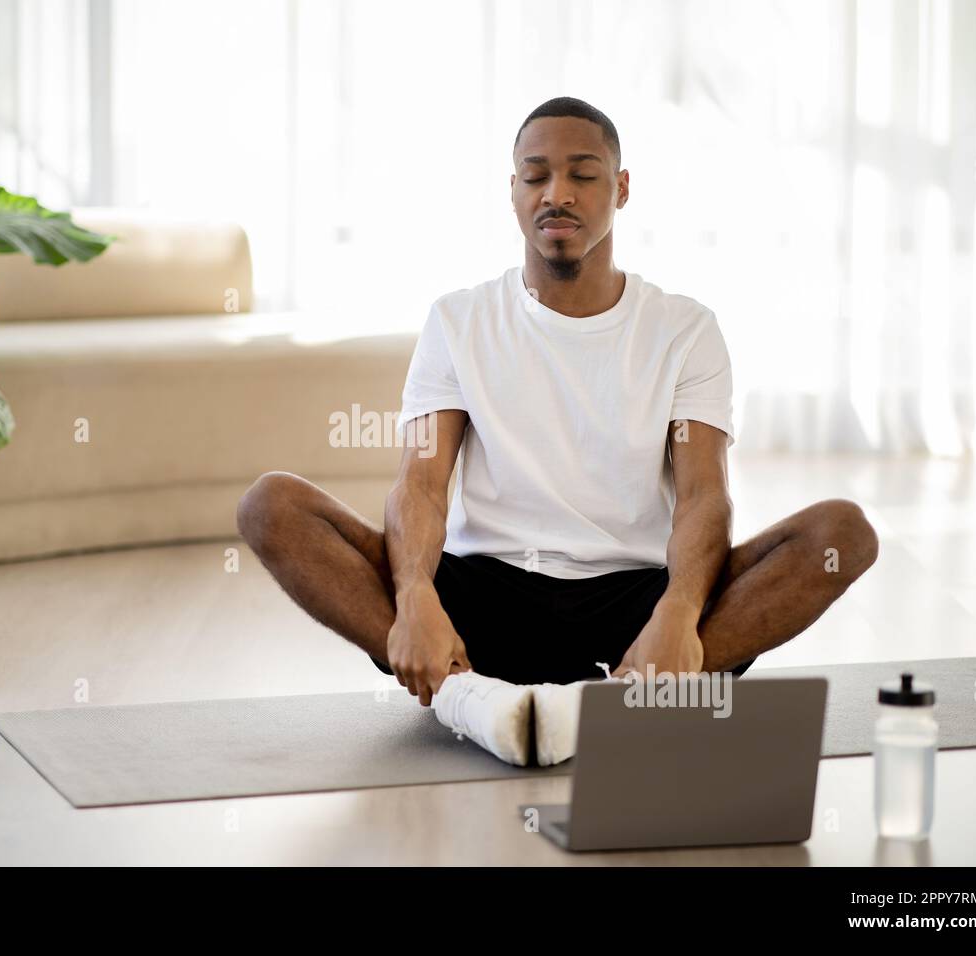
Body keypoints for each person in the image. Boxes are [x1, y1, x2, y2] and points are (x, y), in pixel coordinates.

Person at [237, 96, 879, 765]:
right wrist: (415, 595)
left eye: (583, 174)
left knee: (842, 533)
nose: (557, 194)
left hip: (633, 603)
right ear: (512, 191)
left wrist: (679, 615)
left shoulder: (686, 329)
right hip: (482, 601)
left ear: (621, 188)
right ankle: (468, 697)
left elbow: (702, 497)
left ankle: (617, 698)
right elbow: (422, 485)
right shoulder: (458, 320)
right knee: (272, 507)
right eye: (536, 175)